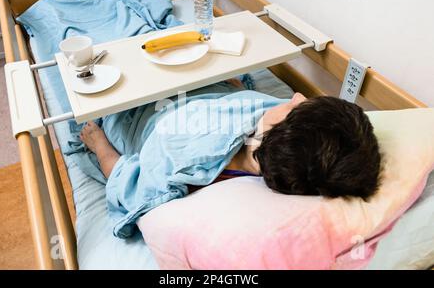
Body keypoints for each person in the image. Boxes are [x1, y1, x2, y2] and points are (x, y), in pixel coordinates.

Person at [80, 88, 381, 238]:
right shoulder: (270, 133)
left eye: (295, 108)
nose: (297, 95)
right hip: (201, 94)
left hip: (151, 119)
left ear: (273, 139)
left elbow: (129, 182)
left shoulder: (186, 166)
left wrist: (99, 145)